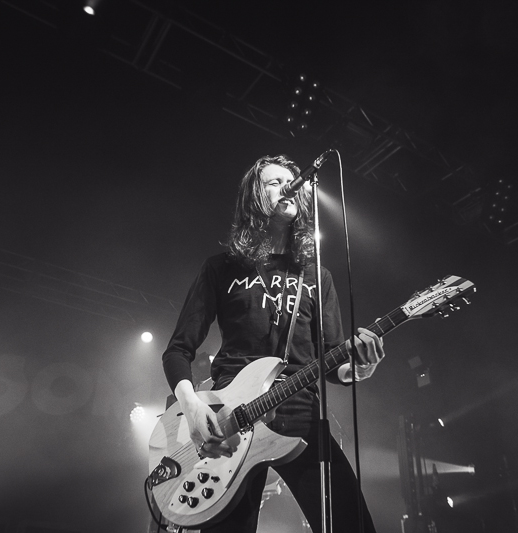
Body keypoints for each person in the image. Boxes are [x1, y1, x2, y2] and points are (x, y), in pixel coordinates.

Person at [161, 154, 385, 533]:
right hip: (228, 417)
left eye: (291, 180)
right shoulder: (222, 267)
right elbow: (178, 350)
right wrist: (193, 406)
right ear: (254, 197)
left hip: (301, 416)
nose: (288, 187)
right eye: (274, 182)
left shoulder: (317, 276)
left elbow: (334, 362)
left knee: (353, 524)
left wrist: (362, 367)